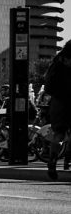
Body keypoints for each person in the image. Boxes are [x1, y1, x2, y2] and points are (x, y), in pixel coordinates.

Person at [43, 44, 71, 180]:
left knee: (58, 134)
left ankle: (52, 161)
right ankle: (68, 159)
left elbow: (48, 84)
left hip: (57, 102)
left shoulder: (57, 61)